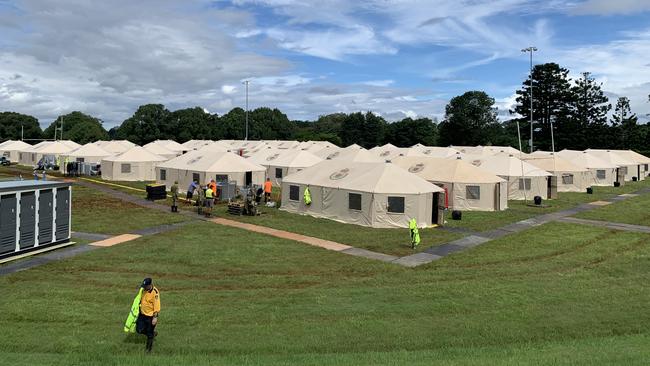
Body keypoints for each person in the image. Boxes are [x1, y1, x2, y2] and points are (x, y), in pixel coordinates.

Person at [136, 277, 161, 353]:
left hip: (150, 316)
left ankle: (148, 350)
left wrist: (155, 317)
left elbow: (157, 306)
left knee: (149, 334)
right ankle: (153, 334)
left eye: (145, 286)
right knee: (139, 330)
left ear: (150, 285)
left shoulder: (155, 293)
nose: (144, 288)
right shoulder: (143, 290)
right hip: (142, 314)